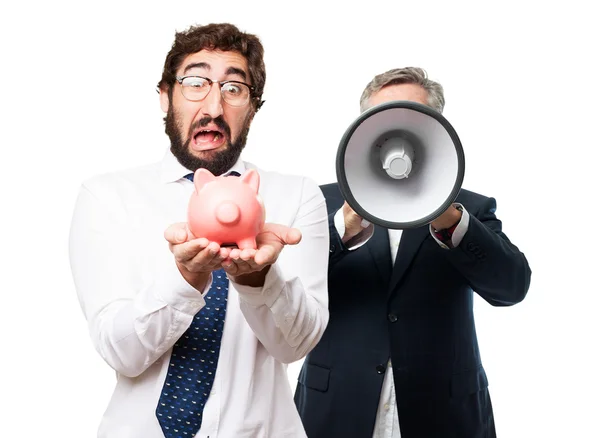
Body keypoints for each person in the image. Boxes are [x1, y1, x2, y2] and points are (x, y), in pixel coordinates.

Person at [69, 23, 329, 438]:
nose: (213, 106)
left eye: (234, 88)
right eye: (195, 82)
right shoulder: (107, 197)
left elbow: (296, 345)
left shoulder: (296, 197)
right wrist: (186, 279)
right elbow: (122, 353)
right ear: (165, 96)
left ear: (253, 108)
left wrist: (260, 278)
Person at [294, 67, 531, 438]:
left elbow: (512, 288)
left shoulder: (469, 208)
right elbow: (285, 285)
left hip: (444, 413)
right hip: (337, 409)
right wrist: (341, 229)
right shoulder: (322, 201)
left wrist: (451, 220)